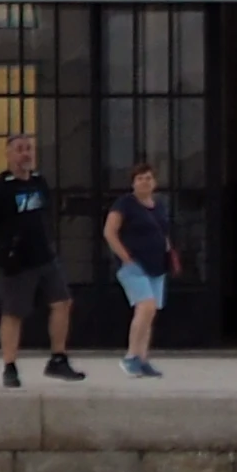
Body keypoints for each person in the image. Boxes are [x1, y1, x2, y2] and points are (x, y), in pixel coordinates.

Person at [0, 132, 83, 389]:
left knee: (62, 302)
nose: (26, 154)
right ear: (8, 154)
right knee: (13, 313)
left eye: (29, 149)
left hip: (44, 256)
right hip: (14, 261)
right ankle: (9, 366)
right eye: (20, 149)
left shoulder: (38, 182)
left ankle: (58, 358)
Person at [102, 159, 179, 378]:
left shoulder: (159, 205)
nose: (144, 182)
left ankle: (143, 358)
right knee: (145, 306)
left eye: (148, 178)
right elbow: (110, 231)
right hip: (134, 265)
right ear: (133, 183)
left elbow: (164, 233)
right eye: (140, 178)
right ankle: (131, 356)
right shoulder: (124, 204)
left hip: (157, 265)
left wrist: (168, 254)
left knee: (151, 311)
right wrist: (125, 257)